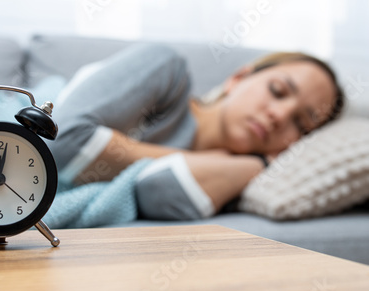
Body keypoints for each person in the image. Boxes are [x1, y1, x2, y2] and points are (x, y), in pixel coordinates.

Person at [46, 44, 345, 220]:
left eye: (301, 125)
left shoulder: (235, 175)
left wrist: (261, 164)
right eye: (277, 91)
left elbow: (161, 192)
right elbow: (59, 140)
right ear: (238, 78)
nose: (279, 116)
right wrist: (193, 158)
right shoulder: (166, 71)